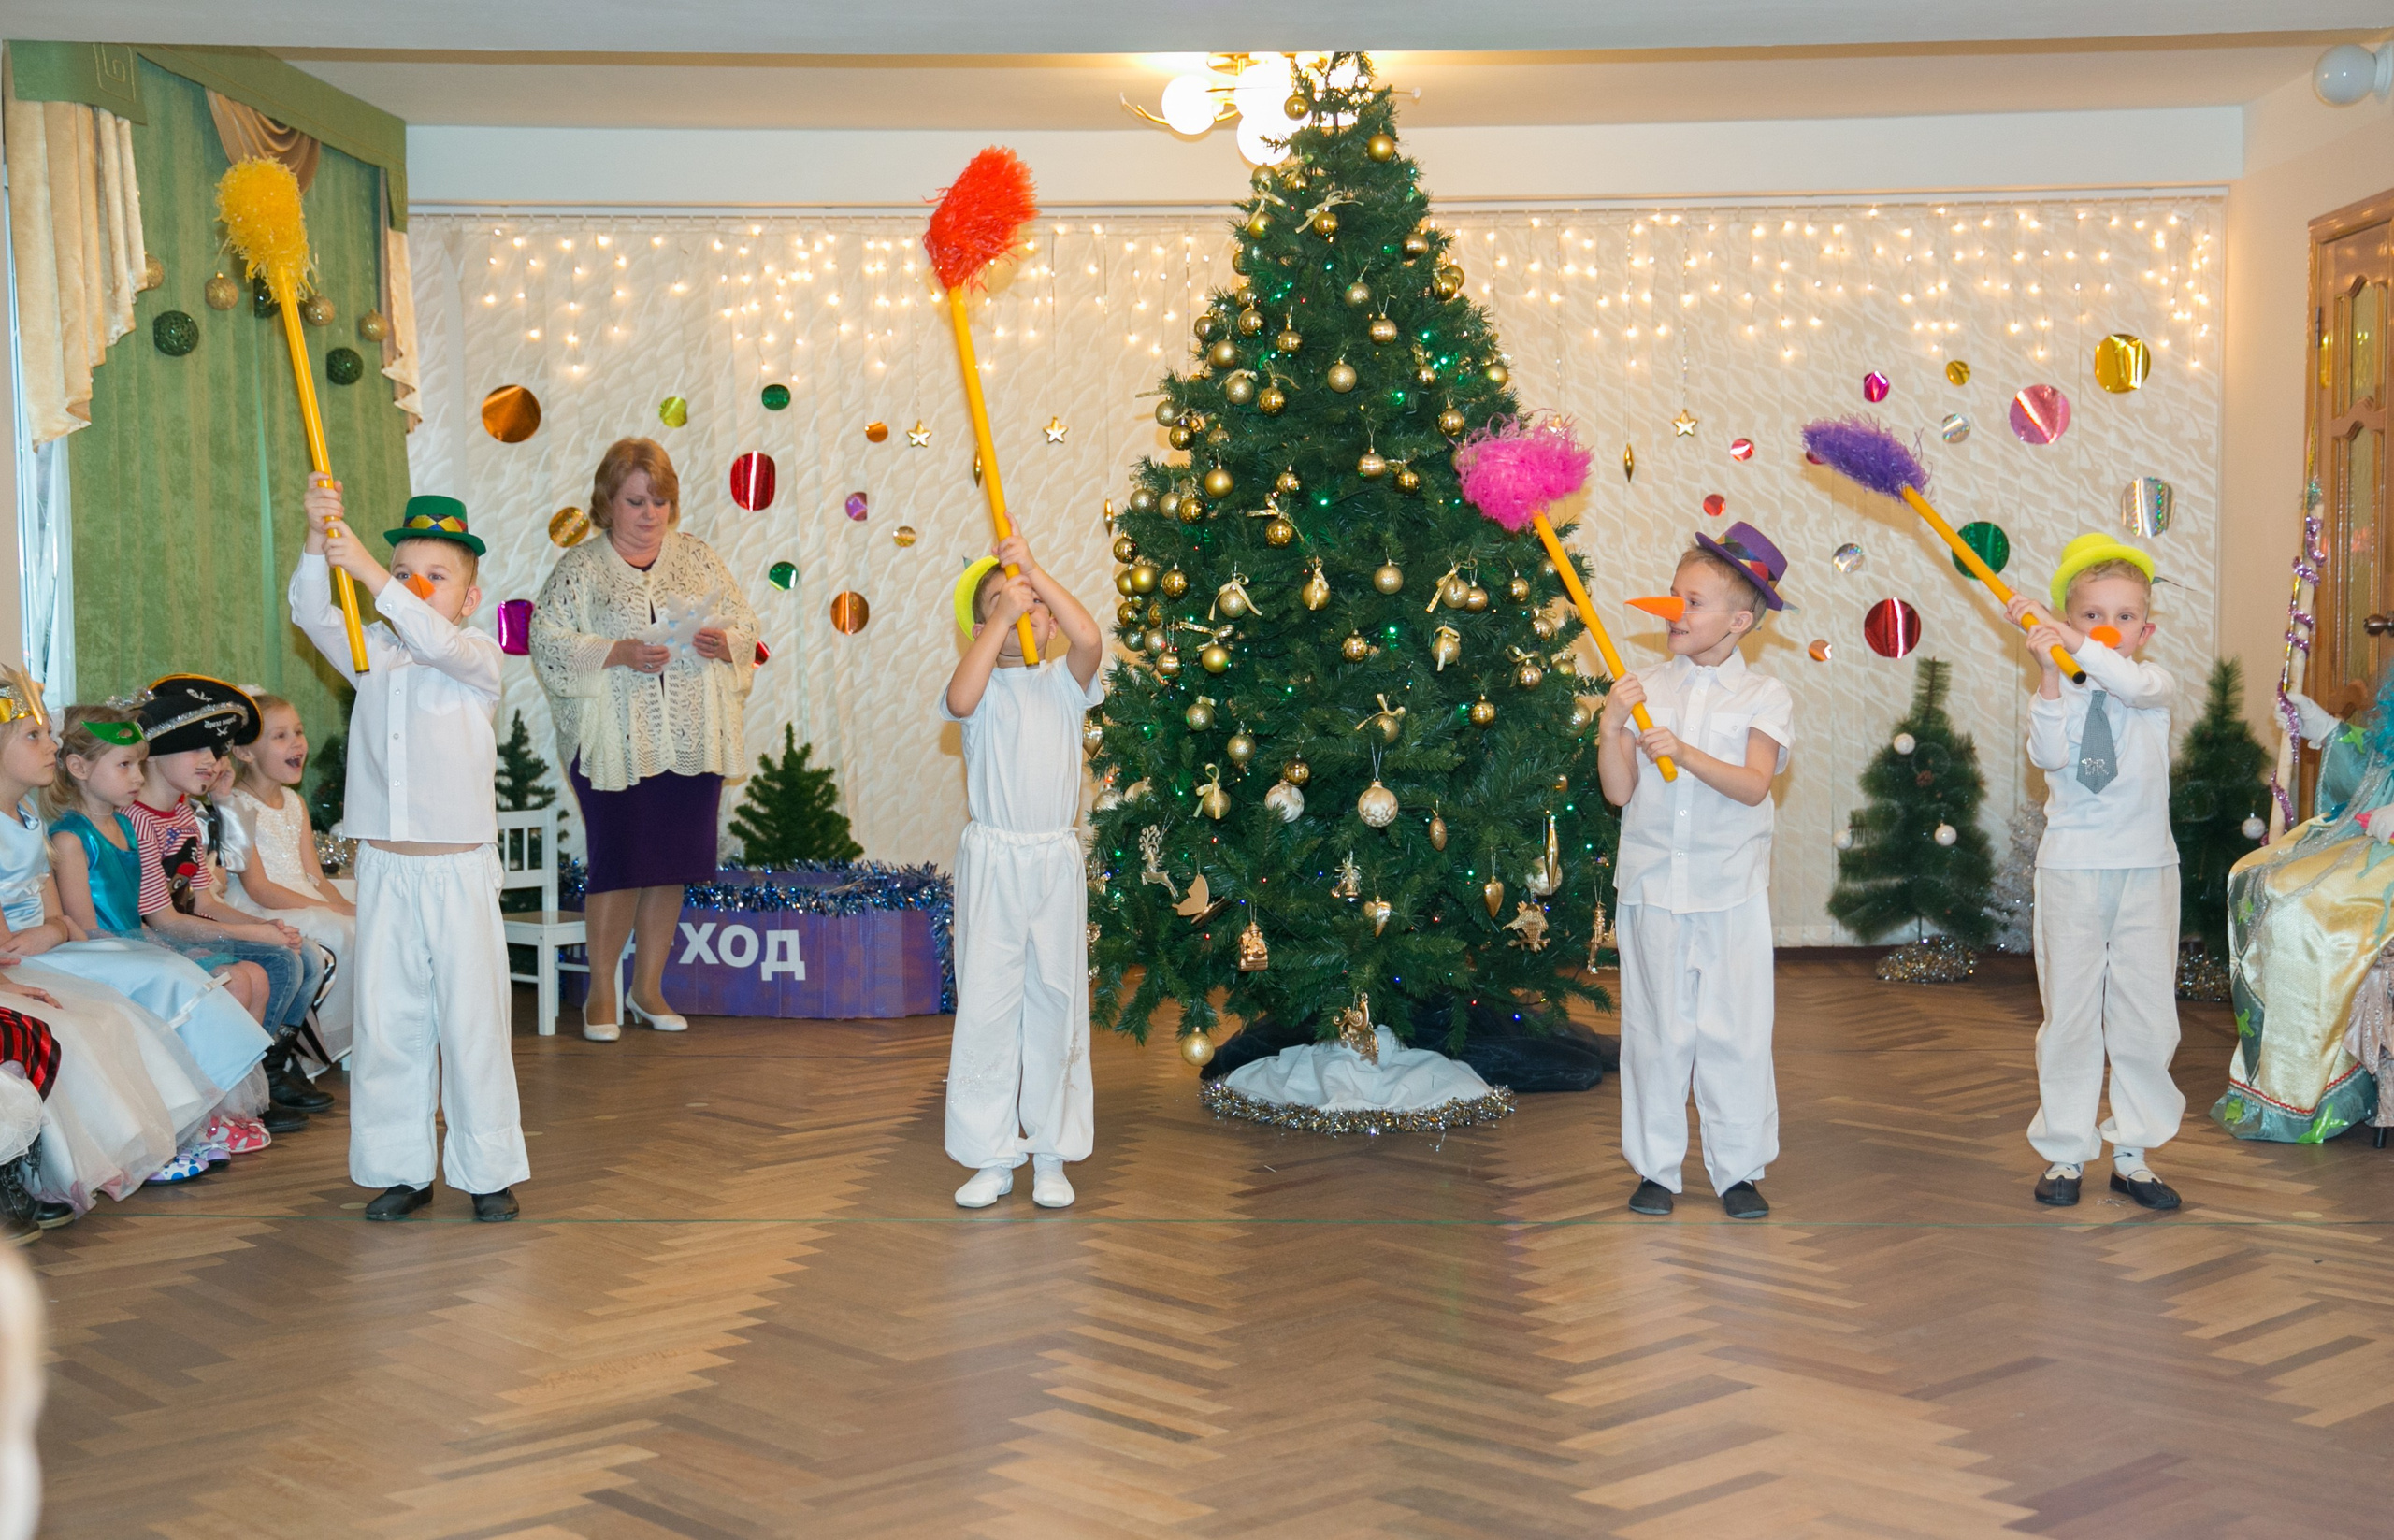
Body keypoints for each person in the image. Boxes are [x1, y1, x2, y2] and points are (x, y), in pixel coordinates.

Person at [295, 478, 526, 1222]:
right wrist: (314, 538)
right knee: (388, 1023)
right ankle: (402, 1166)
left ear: (469, 596)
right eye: (403, 573)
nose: (417, 587)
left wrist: (367, 568)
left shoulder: (476, 657)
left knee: (472, 1020)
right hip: (386, 871)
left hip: (456, 870)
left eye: (438, 575)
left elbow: (429, 636)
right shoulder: (373, 653)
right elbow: (309, 610)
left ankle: (487, 1169)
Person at [1596, 523, 1795, 1221]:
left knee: (1734, 1031)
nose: (1675, 611)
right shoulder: (1644, 686)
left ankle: (1737, 1168)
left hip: (1730, 892)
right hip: (1652, 890)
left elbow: (1753, 785)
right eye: (1675, 595)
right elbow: (1619, 792)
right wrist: (1610, 725)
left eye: (1695, 601)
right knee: (1655, 1031)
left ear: (1740, 621)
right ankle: (1656, 1168)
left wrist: (1682, 749)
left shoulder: (1764, 697)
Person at [529, 438, 757, 1043]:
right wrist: (615, 652)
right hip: (613, 742)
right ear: (608, 501)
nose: (650, 512)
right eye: (636, 500)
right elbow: (546, 639)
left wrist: (723, 641)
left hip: (689, 735)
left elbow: (744, 622)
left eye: (659, 500)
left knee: (671, 865)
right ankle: (601, 992)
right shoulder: (579, 569)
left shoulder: (699, 558)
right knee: (621, 863)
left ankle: (647, 988)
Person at [2002, 533, 2184, 1210]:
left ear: (2146, 628)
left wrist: (2077, 647)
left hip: (2146, 869)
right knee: (2071, 1014)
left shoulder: (2152, 685)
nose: (2109, 626)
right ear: (2067, 617)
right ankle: (2064, 1153)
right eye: (2089, 614)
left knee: (2145, 1013)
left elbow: (2127, 679)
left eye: (2125, 615)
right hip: (2073, 870)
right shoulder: (2063, 689)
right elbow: (2048, 754)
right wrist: (2050, 673)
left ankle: (2133, 1155)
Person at [939, 534, 1104, 1210]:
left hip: (1053, 866)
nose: (1027, 613)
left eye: (1035, 606)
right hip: (994, 864)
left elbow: (1089, 635)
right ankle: (990, 1152)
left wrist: (1035, 571)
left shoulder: (1066, 684)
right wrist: (1001, 616)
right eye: (1006, 608)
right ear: (983, 627)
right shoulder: (983, 688)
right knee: (988, 1003)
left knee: (1057, 1001)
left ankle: (1052, 1151)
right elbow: (957, 698)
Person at [123, 677, 327, 1123]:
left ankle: (268, 1068)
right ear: (153, 753)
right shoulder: (138, 820)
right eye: (197, 749)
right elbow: (164, 920)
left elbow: (201, 899)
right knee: (281, 961)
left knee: (303, 953)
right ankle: (248, 1077)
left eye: (215, 752)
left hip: (186, 925)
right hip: (154, 938)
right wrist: (251, 932)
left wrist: (266, 929)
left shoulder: (179, 813)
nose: (212, 762)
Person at [221, 694, 355, 1067]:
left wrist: (342, 905)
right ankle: (293, 1049)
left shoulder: (294, 803)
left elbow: (313, 874)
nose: (297, 742)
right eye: (280, 736)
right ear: (245, 753)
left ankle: (329, 1043)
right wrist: (331, 909)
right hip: (261, 906)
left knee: (358, 924)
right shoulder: (237, 804)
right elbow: (258, 887)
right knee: (339, 931)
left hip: (301, 897)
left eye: (298, 731)